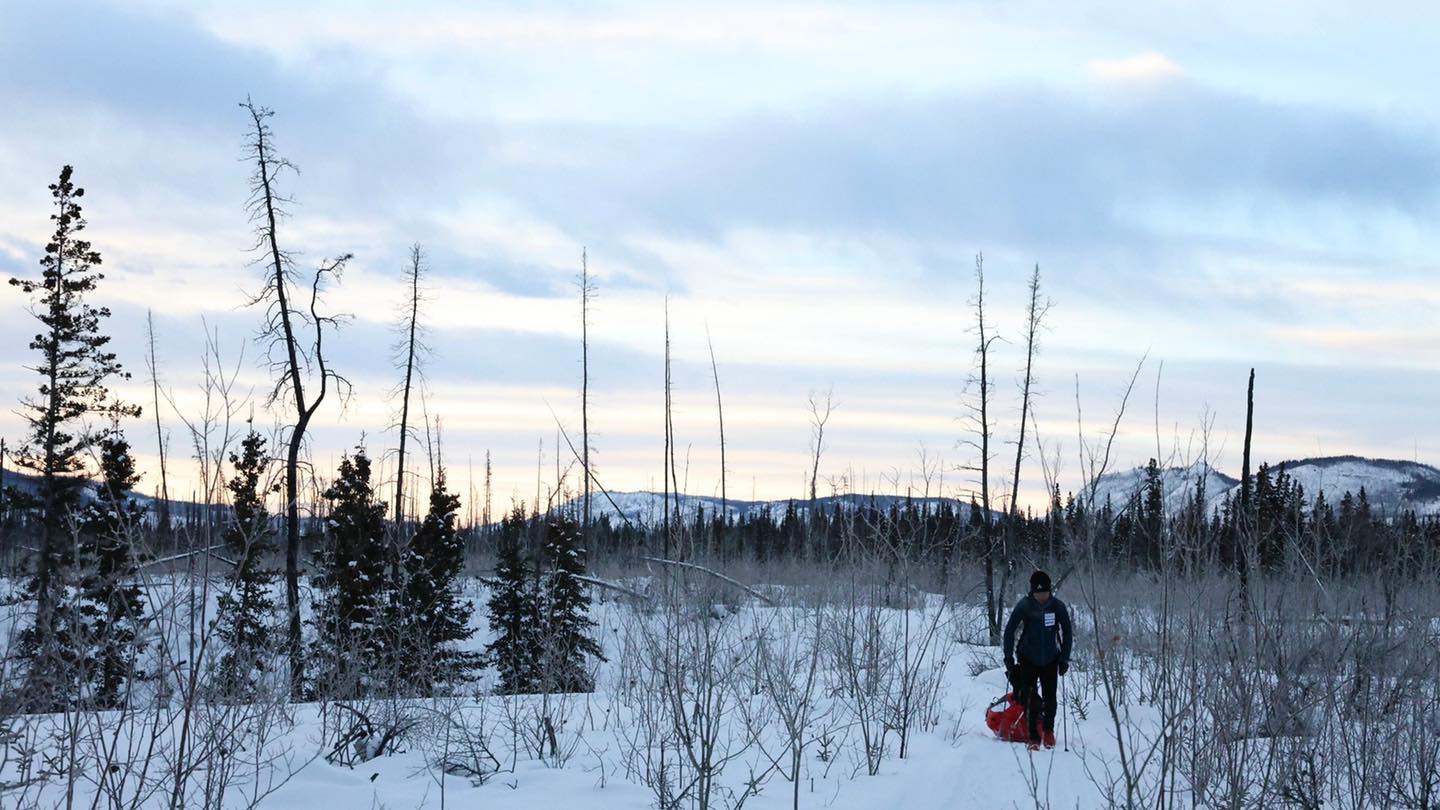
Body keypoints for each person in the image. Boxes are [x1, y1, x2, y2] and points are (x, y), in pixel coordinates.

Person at [1003, 570, 1072, 751]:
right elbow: (1010, 630)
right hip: (1028, 658)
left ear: (1049, 591)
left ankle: (1048, 730)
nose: (1042, 596)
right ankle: (1034, 736)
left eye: (1045, 592)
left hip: (1050, 658)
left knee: (1050, 699)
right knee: (1030, 699)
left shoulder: (1057, 607)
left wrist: (1064, 658)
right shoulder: (1025, 606)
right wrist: (1008, 657)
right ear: (1033, 591)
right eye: (1038, 592)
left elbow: (1068, 631)